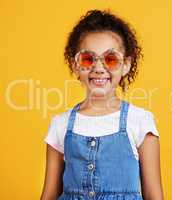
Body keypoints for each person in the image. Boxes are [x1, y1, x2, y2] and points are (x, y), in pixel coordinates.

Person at [40, 9, 164, 200]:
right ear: (75, 65)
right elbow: (49, 194)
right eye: (88, 59)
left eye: (111, 59)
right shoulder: (60, 124)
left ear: (126, 65)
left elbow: (154, 195)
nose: (99, 68)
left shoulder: (140, 121)